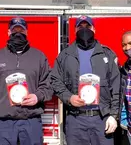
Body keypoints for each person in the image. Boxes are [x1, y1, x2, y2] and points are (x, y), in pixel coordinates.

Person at [0, 16, 53, 145]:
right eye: (14, 30)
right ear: (8, 32)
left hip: (31, 120)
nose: (18, 33)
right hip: (3, 122)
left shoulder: (39, 57)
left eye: (21, 31)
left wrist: (37, 96)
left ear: (27, 32)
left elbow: (49, 85)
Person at [51, 15, 120, 145]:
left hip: (101, 118)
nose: (84, 29)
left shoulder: (107, 55)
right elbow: (55, 81)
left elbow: (116, 88)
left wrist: (113, 116)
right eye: (80, 27)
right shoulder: (65, 55)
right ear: (75, 30)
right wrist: (69, 97)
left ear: (94, 29)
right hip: (76, 119)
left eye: (87, 26)